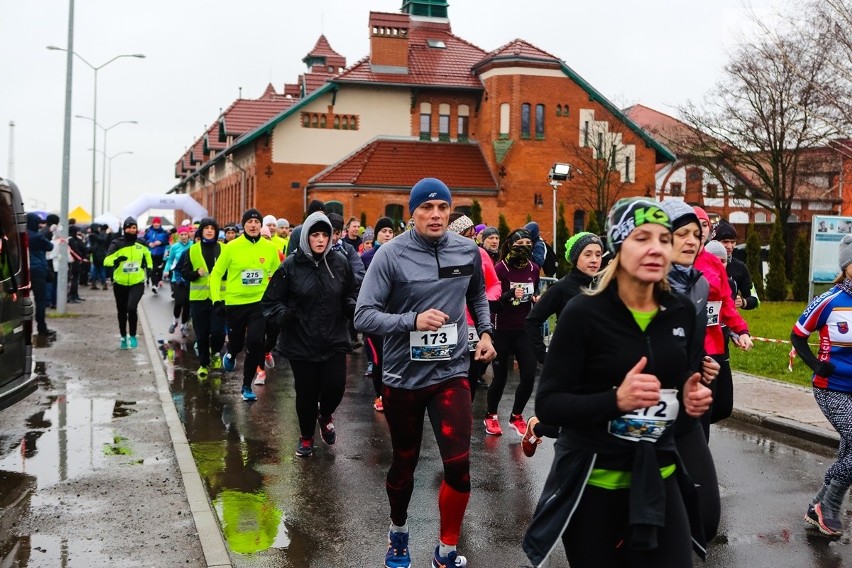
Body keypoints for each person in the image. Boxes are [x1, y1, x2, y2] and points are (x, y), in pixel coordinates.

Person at [523, 197, 713, 568]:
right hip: (596, 482)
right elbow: (549, 405)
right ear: (618, 246)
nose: (656, 248)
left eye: (663, 238)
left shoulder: (682, 312)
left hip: (659, 475)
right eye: (642, 238)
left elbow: (680, 416)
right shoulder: (583, 313)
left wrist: (691, 403)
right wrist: (615, 401)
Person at [354, 177, 496, 568]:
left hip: (451, 373)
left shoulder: (466, 250)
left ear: (451, 212)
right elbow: (363, 316)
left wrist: (485, 331)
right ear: (412, 212)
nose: (435, 215)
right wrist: (412, 321)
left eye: (443, 208)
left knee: (459, 466)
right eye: (426, 209)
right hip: (403, 378)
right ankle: (398, 532)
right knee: (405, 462)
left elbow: (477, 294)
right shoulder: (390, 255)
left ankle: (446, 549)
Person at [262, 212, 358, 457]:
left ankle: (324, 415)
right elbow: (271, 302)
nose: (320, 240)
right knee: (306, 392)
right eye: (315, 235)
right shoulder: (290, 266)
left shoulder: (339, 262)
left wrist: (351, 306)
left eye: (324, 235)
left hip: (334, 336)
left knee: (335, 387)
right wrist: (285, 315)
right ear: (306, 237)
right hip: (301, 340)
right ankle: (306, 437)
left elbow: (350, 292)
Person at [661, 200, 722, 542]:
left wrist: (701, 364)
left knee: (706, 518)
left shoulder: (698, 284)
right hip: (643, 418)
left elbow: (687, 347)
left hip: (684, 415)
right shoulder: (638, 288)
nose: (690, 241)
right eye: (680, 233)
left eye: (696, 234)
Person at [791, 233, 852, 537]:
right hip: (832, 387)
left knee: (849, 452)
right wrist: (816, 364)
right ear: (847, 265)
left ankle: (818, 505)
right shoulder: (829, 300)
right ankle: (830, 505)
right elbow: (797, 335)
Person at [522, 231, 603, 455]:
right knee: (575, 427)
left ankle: (537, 427)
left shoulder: (603, 287)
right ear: (575, 258)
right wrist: (545, 357)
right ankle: (538, 427)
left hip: (596, 366)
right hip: (568, 366)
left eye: (598, 254)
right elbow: (532, 321)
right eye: (588, 254)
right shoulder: (562, 288)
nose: (595, 259)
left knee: (591, 423)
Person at [693, 207, 753, 439]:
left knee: (721, 407)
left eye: (704, 224)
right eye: (694, 224)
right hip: (686, 348)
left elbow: (726, 303)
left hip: (714, 346)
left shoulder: (715, 262)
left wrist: (741, 330)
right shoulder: (672, 263)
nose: (699, 229)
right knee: (699, 415)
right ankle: (694, 468)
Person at [209, 208, 281, 401]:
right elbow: (216, 274)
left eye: (256, 222)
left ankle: (246, 386)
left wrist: (276, 299)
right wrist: (217, 299)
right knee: (237, 343)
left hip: (259, 303)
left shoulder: (269, 248)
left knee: (256, 343)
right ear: (244, 225)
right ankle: (231, 352)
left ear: (261, 225)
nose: (253, 225)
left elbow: (277, 276)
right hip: (235, 303)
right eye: (249, 221)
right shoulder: (231, 247)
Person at [484, 227, 540, 437]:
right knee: (500, 377)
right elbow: (493, 304)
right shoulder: (500, 269)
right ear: (510, 246)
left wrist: (536, 298)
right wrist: (508, 295)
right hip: (502, 330)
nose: (524, 249)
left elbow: (536, 288)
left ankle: (516, 416)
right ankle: (491, 415)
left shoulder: (534, 268)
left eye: (528, 245)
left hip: (523, 329)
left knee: (528, 376)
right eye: (519, 245)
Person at [178, 217, 226, 377]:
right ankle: (204, 364)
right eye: (206, 228)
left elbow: (233, 270)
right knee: (202, 334)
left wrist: (223, 273)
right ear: (202, 231)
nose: (209, 230)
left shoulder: (225, 249)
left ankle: (216, 353)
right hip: (198, 299)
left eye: (213, 228)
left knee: (218, 332)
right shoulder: (191, 250)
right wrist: (194, 274)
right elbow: (184, 273)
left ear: (216, 231)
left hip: (219, 298)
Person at [360, 216, 397, 411]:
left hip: (394, 315)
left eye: (390, 232)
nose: (387, 235)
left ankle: (393, 394)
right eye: (384, 231)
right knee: (378, 359)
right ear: (376, 235)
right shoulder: (366, 257)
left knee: (394, 357)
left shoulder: (399, 254)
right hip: (374, 316)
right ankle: (379, 395)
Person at [104, 217, 153, 349]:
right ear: (124, 229)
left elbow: (148, 257)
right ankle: (123, 336)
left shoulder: (141, 243)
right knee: (121, 311)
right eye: (129, 227)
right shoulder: (117, 243)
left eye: (134, 227)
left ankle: (132, 335)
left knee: (131, 308)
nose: (132, 230)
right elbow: (106, 260)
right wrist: (116, 259)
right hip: (120, 282)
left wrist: (149, 268)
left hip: (137, 282)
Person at [26, 213, 55, 339]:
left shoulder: (21, 235)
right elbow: (50, 246)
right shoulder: (37, 236)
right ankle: (41, 327)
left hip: (23, 271)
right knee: (40, 301)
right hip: (38, 270)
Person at [165, 225, 193, 336]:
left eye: (185, 234)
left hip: (189, 278)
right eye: (181, 234)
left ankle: (184, 325)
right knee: (179, 302)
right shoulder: (175, 247)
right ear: (178, 235)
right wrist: (166, 270)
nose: (183, 236)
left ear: (188, 235)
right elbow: (170, 260)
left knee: (187, 304)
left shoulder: (193, 246)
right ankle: (174, 322)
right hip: (176, 277)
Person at [143, 217, 169, 294]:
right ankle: (154, 285)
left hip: (161, 253)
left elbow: (167, 242)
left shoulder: (164, 232)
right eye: (155, 223)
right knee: (153, 269)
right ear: (153, 223)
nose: (156, 224)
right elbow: (144, 241)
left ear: (160, 223)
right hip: (151, 253)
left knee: (159, 269)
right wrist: (148, 243)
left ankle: (159, 280)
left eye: (158, 223)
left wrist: (161, 242)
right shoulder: (148, 231)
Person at [88, 223, 110, 290]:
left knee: (96, 270)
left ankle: (94, 284)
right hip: (99, 255)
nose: (99, 228)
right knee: (101, 270)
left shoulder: (93, 235)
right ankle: (103, 284)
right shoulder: (93, 235)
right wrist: (107, 233)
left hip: (96, 255)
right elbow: (102, 240)